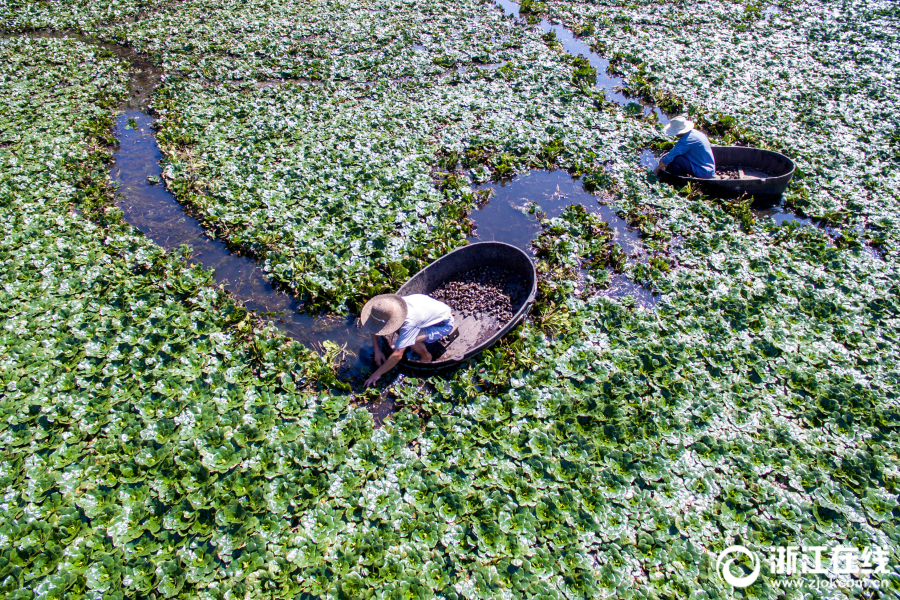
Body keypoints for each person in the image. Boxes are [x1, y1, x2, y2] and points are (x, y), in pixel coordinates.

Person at [360, 293, 455, 388]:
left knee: (411, 339)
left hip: (443, 324)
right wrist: (377, 350)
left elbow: (397, 356)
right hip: (429, 311)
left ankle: (426, 356)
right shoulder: (392, 306)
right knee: (403, 334)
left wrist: (377, 374)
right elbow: (375, 325)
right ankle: (403, 344)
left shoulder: (409, 323)